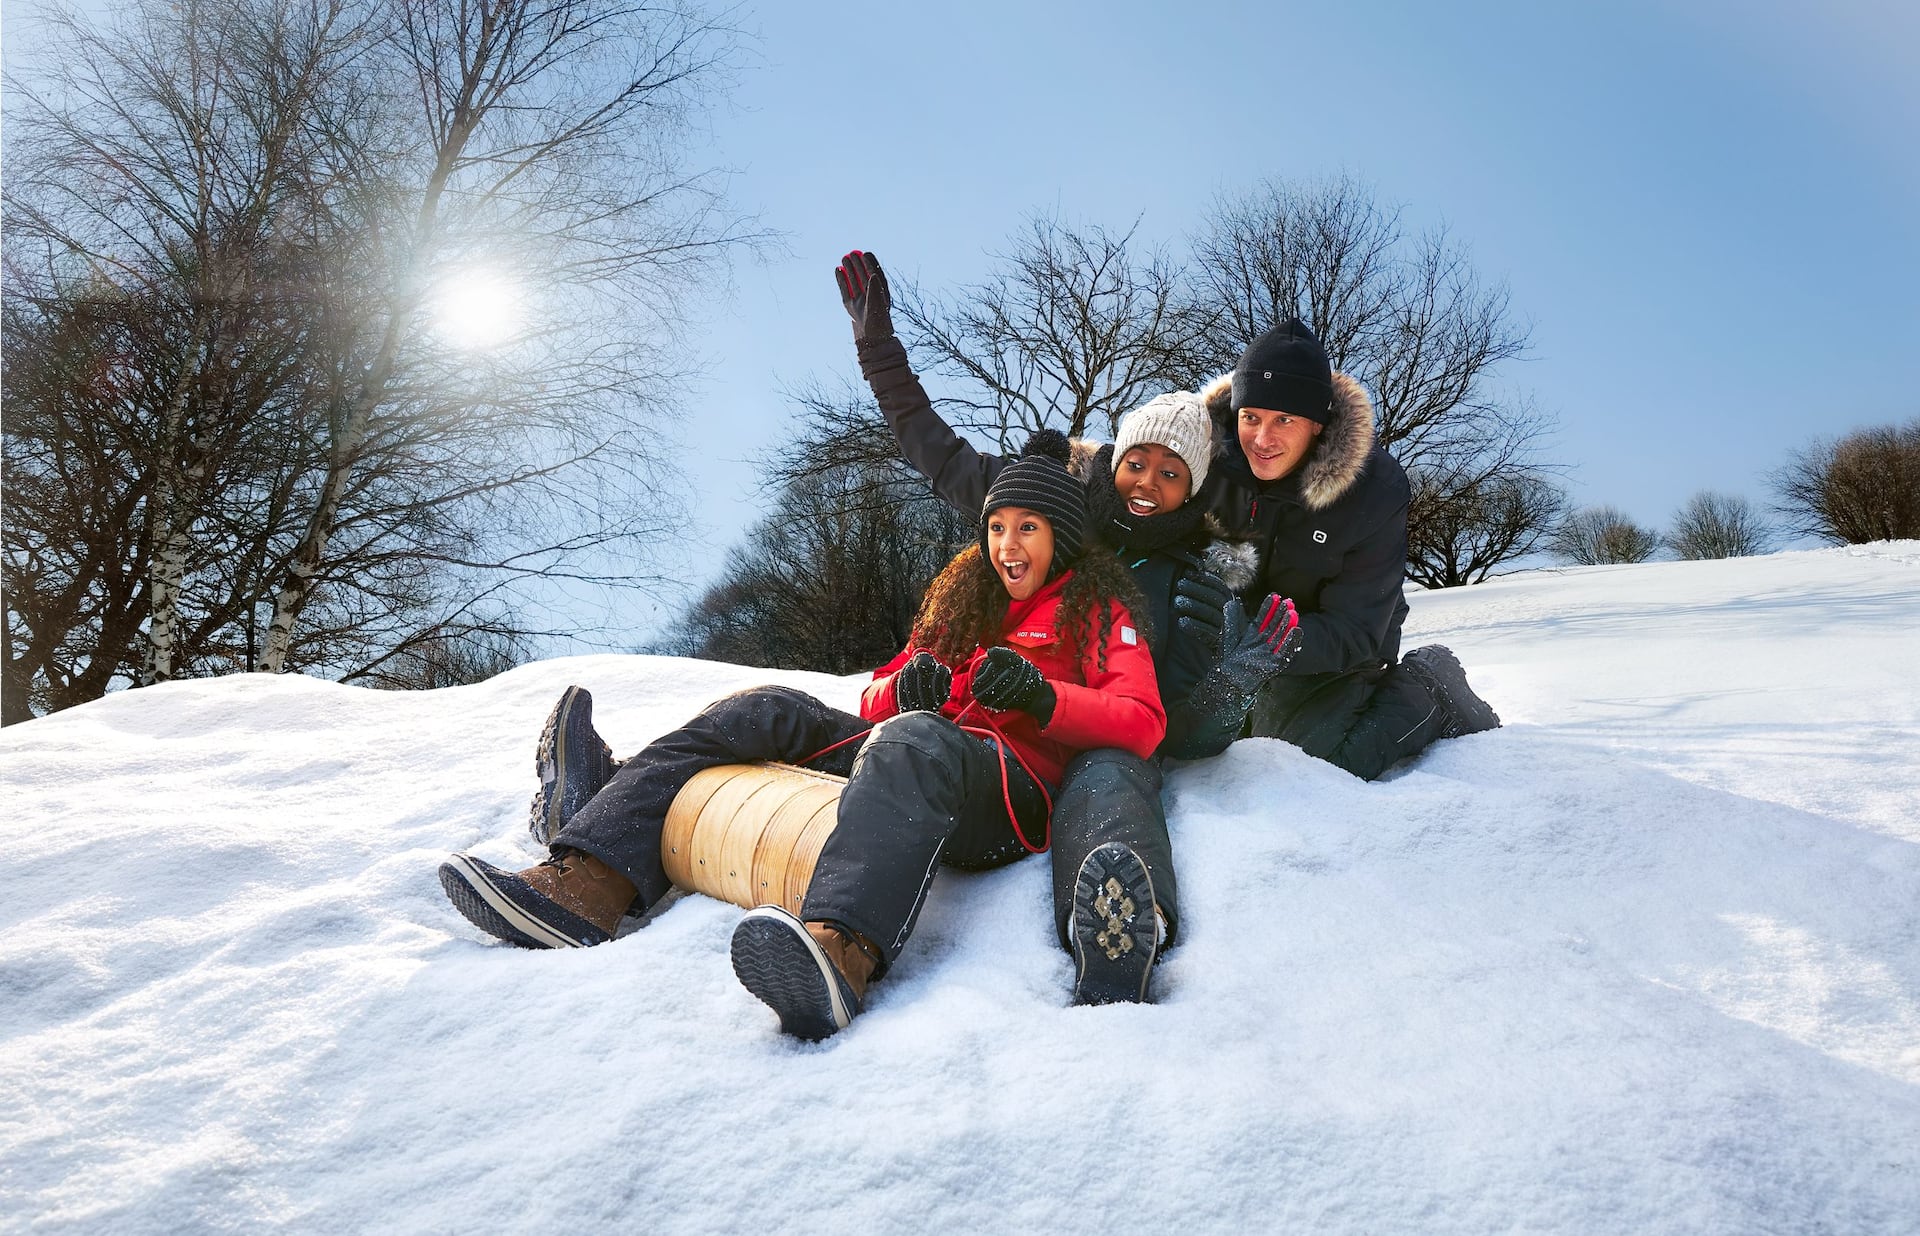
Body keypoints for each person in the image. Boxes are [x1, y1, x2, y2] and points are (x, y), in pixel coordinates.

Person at [438, 436, 1166, 1039]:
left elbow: (1140, 720)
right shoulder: (962, 604)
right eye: (998, 527)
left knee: (915, 741)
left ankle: (840, 949)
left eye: (1027, 529)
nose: (1008, 544)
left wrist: (1043, 698)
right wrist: (902, 687)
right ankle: (587, 885)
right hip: (914, 755)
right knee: (766, 708)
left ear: (1059, 538)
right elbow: (877, 689)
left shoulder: (1095, 608)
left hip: (1007, 790)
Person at [832, 249, 1278, 999]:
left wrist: (1215, 678)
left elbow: (1180, 730)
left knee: (1111, 775)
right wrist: (878, 350)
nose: (1149, 484)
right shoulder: (1053, 509)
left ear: (1194, 491)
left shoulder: (1195, 583)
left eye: (1173, 475)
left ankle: (1115, 936)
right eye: (1139, 462)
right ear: (1114, 461)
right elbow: (933, 450)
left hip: (1102, 735)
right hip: (1007, 738)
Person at [1164, 318, 1502, 776]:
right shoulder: (1199, 460)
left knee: (1311, 766)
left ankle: (1430, 688)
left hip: (1327, 653)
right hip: (1219, 644)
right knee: (1184, 742)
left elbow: (1357, 630)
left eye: (1284, 419)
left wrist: (1256, 641)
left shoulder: (1374, 490)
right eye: (1251, 417)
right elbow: (1127, 489)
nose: (1262, 439)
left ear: (1318, 424)